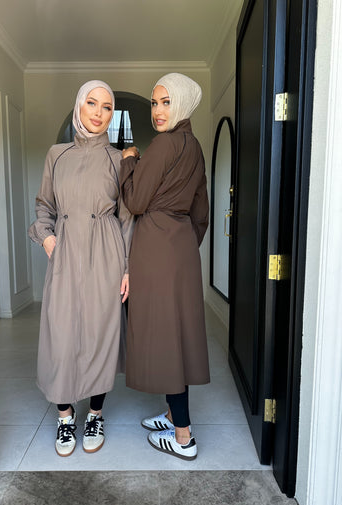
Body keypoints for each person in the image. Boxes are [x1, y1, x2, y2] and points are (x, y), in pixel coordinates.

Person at [28, 80, 133, 457]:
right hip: (66, 251)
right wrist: (47, 239)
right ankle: (64, 417)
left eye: (107, 107)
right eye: (92, 103)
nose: (99, 113)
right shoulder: (57, 154)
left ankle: (95, 415)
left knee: (100, 334)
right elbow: (44, 205)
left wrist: (127, 268)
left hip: (106, 252)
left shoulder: (119, 160)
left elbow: (127, 218)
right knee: (61, 334)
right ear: (79, 106)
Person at [120, 73, 210, 461]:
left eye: (166, 102)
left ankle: (183, 437)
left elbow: (136, 201)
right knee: (179, 333)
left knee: (165, 336)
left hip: (156, 247)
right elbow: (202, 212)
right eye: (155, 102)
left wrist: (129, 161)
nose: (157, 111)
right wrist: (184, 245)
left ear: (182, 104)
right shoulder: (194, 146)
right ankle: (174, 415)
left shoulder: (163, 144)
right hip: (182, 248)